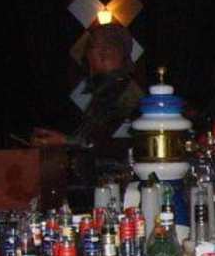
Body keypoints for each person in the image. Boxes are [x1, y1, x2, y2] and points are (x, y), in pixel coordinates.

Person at [31, 22, 140, 169]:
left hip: (115, 179)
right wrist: (60, 140)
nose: (86, 56)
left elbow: (113, 146)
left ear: (105, 53)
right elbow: (94, 139)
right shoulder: (113, 90)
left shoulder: (124, 94)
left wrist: (64, 141)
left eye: (89, 49)